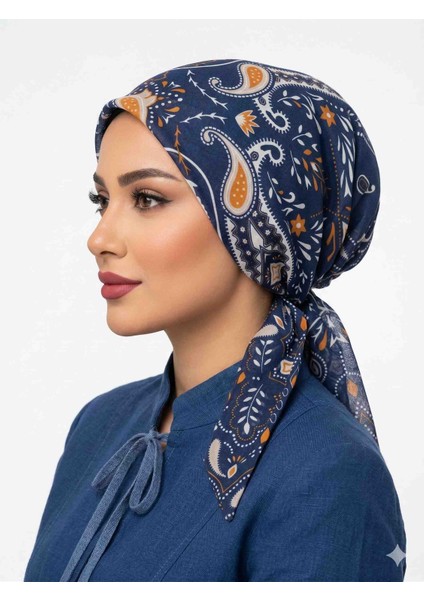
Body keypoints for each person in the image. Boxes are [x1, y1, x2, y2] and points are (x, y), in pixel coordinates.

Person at [24, 58, 407, 582]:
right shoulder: (99, 424)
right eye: (102, 200)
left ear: (257, 222)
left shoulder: (326, 470)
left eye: (148, 199)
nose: (99, 239)